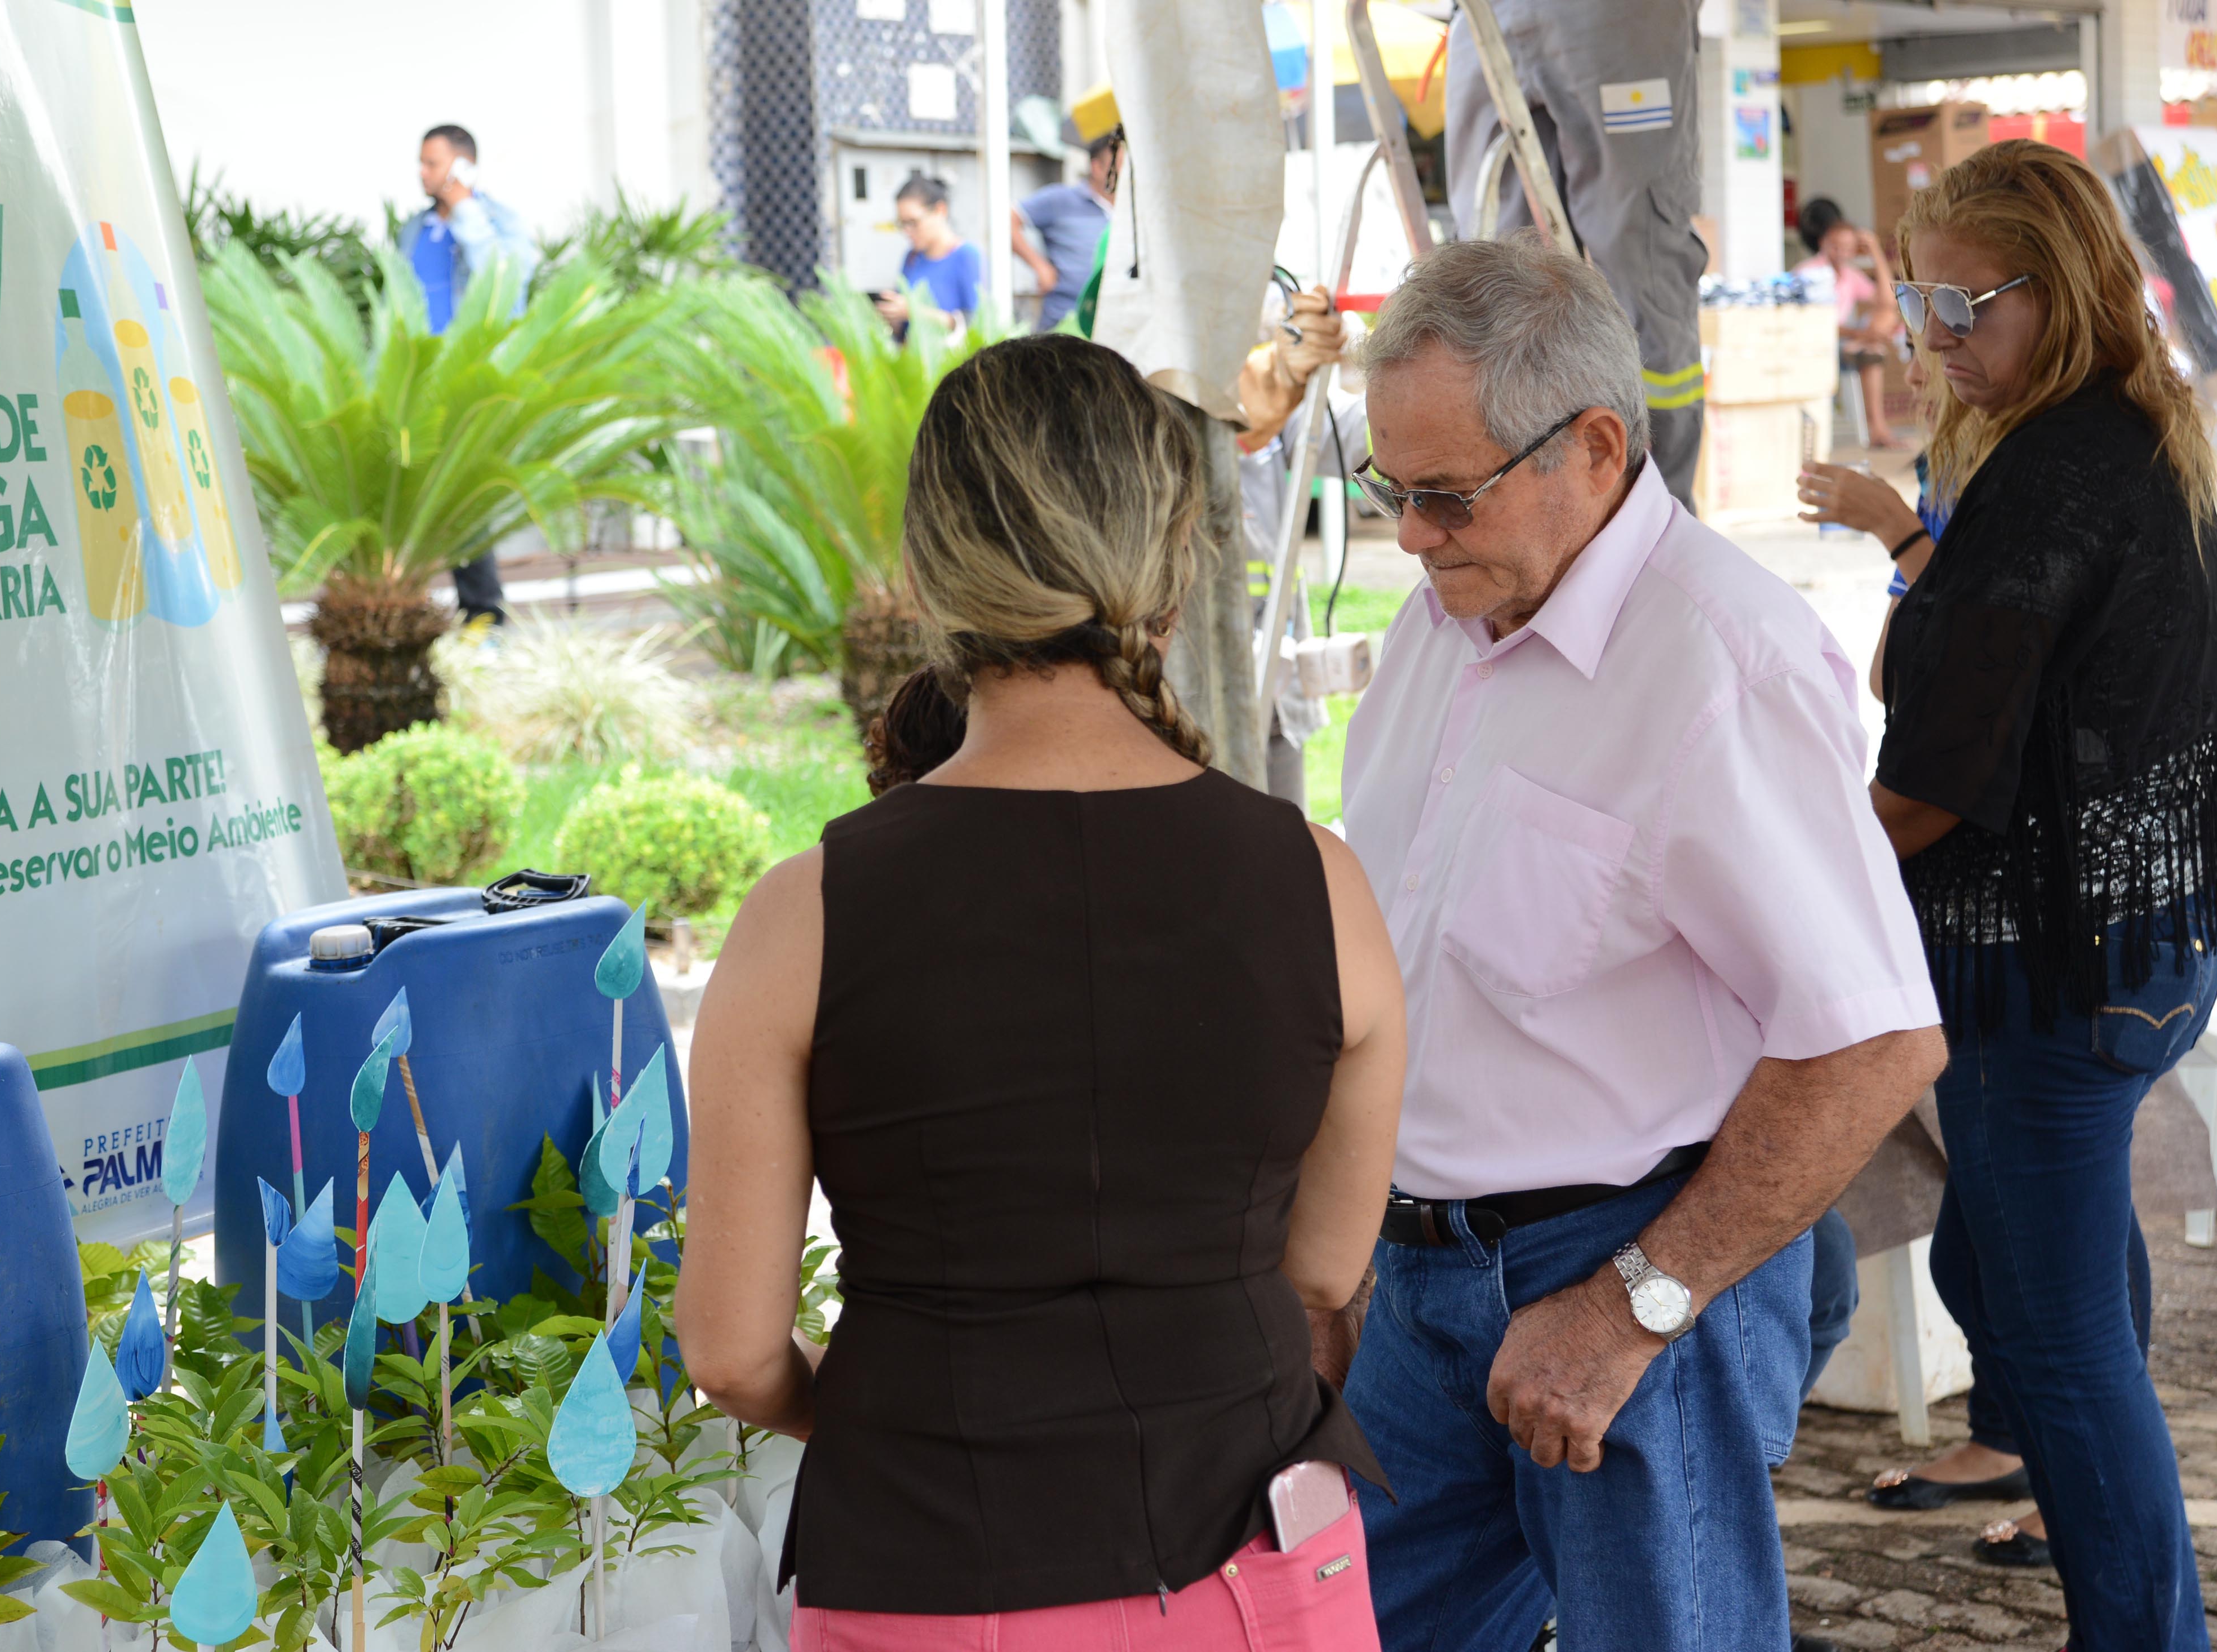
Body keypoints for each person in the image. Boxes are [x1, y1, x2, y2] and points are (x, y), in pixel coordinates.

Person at [679, 333, 1409, 1649]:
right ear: (1174, 557)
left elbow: (731, 1347)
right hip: (1257, 1570)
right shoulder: (1321, 887)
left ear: (925, 574)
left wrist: (889, 1400)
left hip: (929, 1565)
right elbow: (1318, 1280)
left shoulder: (805, 914)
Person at [1332, 234, 1948, 1650]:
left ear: (1592, 447)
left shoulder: (1720, 659)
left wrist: (1630, 1306)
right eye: (1387, 490)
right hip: (1412, 1271)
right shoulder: (1453, 607)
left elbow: (1871, 1038)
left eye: (1440, 494)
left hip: (1623, 1269)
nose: (1409, 534)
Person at [1866, 139, 2217, 1646]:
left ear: (2064, 290)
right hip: (2136, 946)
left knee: (2062, 1344)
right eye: (1921, 307)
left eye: (1971, 308)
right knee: (2026, 1276)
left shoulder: (2051, 476)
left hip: (2057, 969)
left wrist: (1806, 874)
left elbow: (1939, 762)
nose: (1940, 343)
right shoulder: (2128, 432)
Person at [1444, 0, 1709, 509]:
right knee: (1495, 282)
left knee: (1642, 260)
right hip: (1480, 16)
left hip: (1612, 15)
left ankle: (1656, 516)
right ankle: (1520, 507)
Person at [1231, 283, 1367, 807]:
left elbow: (1353, 436)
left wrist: (1395, 372)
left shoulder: (1273, 404)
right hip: (1187, 692)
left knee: (1277, 852)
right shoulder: (1136, 416)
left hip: (1273, 689)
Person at [397, 123, 535, 623]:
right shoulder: (413, 230)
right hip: (416, 380)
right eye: (422, 162)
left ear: (461, 166)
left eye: (433, 163)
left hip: (468, 383)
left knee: (462, 498)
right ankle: (399, 612)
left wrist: (467, 212)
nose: (422, 172)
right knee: (402, 496)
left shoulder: (500, 225)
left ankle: (483, 615)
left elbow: (503, 287)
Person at [1795, 197, 1906, 450]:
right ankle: (1878, 429)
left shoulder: (1850, 275)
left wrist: (1876, 252)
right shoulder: (1809, 273)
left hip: (1846, 344)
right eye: (1836, 247)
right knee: (1871, 348)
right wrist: (1860, 334)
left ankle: (1878, 429)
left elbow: (1889, 302)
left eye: (1848, 248)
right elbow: (1815, 325)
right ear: (1823, 243)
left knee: (1883, 325)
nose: (1842, 253)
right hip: (1814, 346)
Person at [1012, 131, 1122, 330]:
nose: (1126, 174)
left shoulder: (1132, 211)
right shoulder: (1060, 200)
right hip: (1063, 321)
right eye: (1120, 166)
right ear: (1097, 168)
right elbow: (1007, 220)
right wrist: (1040, 267)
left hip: (1113, 322)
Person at [872, 173, 979, 335]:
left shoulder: (967, 256)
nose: (907, 231)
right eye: (902, 224)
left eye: (913, 222)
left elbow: (978, 324)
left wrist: (918, 312)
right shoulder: (912, 258)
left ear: (940, 210)